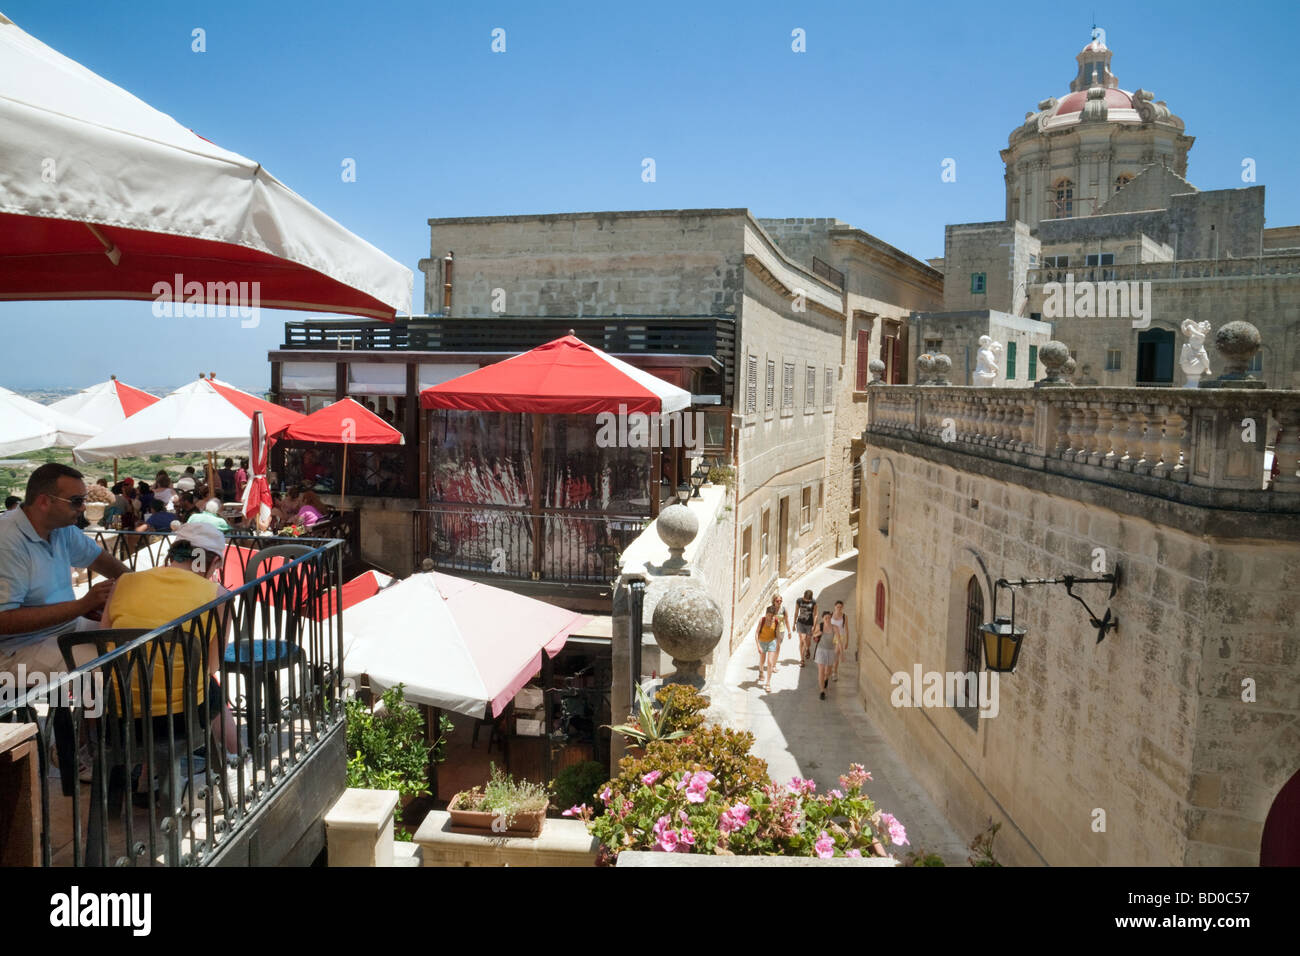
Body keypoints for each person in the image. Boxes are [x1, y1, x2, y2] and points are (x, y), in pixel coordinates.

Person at [100, 522, 238, 753]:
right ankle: (238, 756)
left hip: (118, 718)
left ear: (173, 553)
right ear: (214, 562)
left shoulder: (124, 583)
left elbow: (103, 647)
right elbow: (212, 666)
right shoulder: (218, 596)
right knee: (210, 687)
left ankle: (147, 776)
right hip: (178, 721)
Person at [0, 463, 130, 683]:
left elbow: (105, 563)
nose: (82, 508)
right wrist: (83, 605)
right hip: (14, 648)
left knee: (138, 643)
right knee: (112, 668)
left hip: (65, 628)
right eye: (76, 501)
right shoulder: (7, 541)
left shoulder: (62, 529)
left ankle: (79, 717)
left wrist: (139, 585)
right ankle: (90, 717)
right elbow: (4, 621)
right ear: (44, 501)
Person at [754, 604, 780, 693]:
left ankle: (768, 683)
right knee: (762, 661)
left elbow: (777, 634)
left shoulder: (776, 621)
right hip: (762, 642)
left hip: (771, 642)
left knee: (770, 662)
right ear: (766, 614)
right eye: (768, 615)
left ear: (774, 615)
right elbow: (756, 633)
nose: (770, 617)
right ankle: (761, 671)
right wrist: (758, 645)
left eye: (772, 616)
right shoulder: (762, 620)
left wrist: (778, 644)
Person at [813, 611, 836, 699]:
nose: (827, 619)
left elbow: (837, 639)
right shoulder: (820, 626)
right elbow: (814, 635)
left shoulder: (834, 627)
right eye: (825, 618)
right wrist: (818, 633)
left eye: (829, 618)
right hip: (820, 650)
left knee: (828, 672)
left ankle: (826, 679)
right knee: (821, 671)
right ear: (823, 618)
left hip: (830, 650)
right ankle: (822, 691)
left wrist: (839, 651)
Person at [794, 589, 818, 667]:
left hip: (809, 624)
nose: (807, 601)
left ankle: (807, 649)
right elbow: (796, 612)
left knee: (808, 642)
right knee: (802, 640)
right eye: (806, 599)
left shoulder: (813, 602)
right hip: (800, 623)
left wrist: (814, 625)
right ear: (803, 596)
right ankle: (802, 660)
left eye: (808, 600)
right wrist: (794, 623)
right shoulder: (799, 601)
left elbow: (815, 614)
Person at [829, 600, 851, 681]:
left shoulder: (844, 616)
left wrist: (847, 641)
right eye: (837, 607)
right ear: (835, 607)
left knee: (836, 655)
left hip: (840, 637)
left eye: (840, 607)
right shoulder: (830, 615)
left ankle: (834, 672)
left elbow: (847, 630)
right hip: (831, 636)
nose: (839, 608)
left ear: (842, 608)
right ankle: (830, 669)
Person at [771, 593, 790, 668]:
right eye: (777, 601)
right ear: (774, 601)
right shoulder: (771, 609)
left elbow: (787, 620)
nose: (779, 602)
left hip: (781, 631)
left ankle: (773, 663)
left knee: (777, 648)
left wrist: (789, 631)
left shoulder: (784, 609)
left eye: (780, 601)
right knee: (775, 647)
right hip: (772, 631)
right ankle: (773, 665)